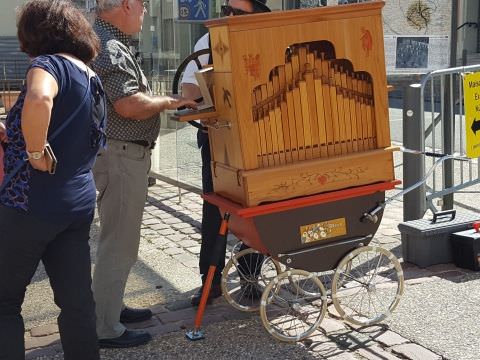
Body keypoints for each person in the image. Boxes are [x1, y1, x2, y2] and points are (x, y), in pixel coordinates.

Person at [0, 1, 105, 359]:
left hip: (30, 203)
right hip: (75, 202)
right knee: (76, 300)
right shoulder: (88, 73)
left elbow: (41, 97)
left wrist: (33, 150)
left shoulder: (46, 65)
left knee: (4, 301)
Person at [91, 0, 197, 348]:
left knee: (117, 238)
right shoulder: (109, 45)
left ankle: (111, 307)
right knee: (119, 243)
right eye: (142, 5)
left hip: (118, 152)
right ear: (124, 5)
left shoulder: (105, 39)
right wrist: (170, 101)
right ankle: (105, 327)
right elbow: (128, 105)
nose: (146, 12)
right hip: (122, 154)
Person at [181, 0, 271, 307]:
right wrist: (202, 94)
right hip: (218, 138)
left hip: (261, 137)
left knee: (257, 206)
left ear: (257, 15)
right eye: (225, 10)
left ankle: (250, 276)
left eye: (236, 12)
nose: (228, 17)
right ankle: (210, 280)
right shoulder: (208, 41)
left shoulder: (268, 36)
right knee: (214, 210)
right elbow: (189, 89)